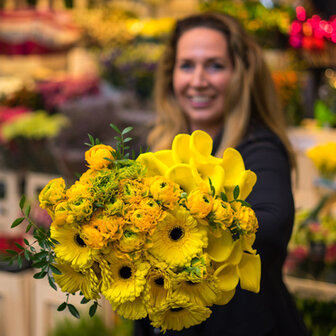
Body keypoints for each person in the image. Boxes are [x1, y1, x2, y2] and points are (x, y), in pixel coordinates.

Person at [134, 12, 309, 336]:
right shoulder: (154, 145)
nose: (198, 80)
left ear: (240, 74)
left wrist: (177, 232)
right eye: (187, 65)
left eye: (215, 65)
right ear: (171, 74)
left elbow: (271, 226)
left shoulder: (260, 146)